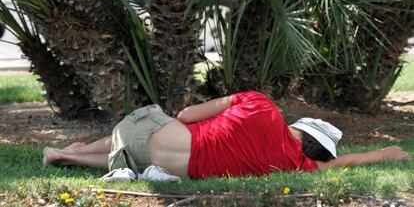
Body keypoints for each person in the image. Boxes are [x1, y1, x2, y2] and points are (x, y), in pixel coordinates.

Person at [43, 91, 412, 181]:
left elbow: (186, 115)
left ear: (300, 128)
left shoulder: (261, 104)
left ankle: (68, 152)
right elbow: (344, 162)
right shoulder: (293, 164)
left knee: (147, 128)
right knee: (132, 152)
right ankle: (67, 156)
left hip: (150, 130)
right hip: (156, 165)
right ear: (315, 151)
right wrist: (388, 153)